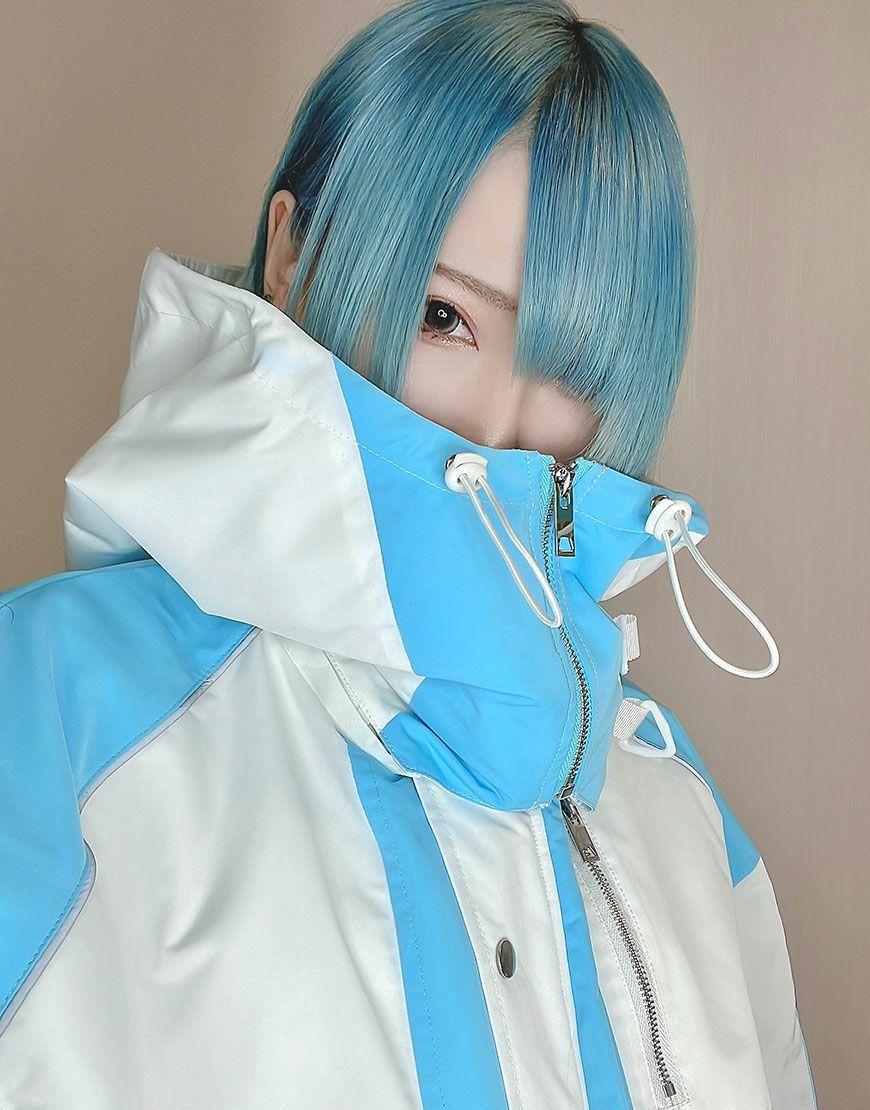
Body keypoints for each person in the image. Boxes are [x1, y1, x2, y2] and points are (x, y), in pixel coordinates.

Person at [0, 1, 817, 1106]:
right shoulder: (50, 715)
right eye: (443, 317)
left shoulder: (679, 813)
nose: (497, 430)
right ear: (292, 253)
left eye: (570, 369)